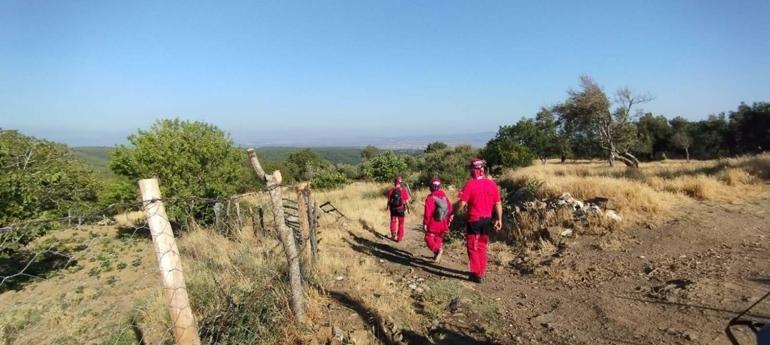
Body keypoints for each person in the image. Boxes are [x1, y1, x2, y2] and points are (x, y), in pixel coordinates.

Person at [456, 159, 502, 283]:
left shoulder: (470, 184)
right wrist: (499, 219)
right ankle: (481, 271)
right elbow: (498, 203)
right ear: (483, 169)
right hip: (487, 220)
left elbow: (462, 203)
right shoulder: (492, 184)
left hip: (474, 219)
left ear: (473, 169)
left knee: (472, 246)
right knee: (482, 245)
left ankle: (476, 274)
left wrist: (453, 211)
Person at [423, 178, 453, 262]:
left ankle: (437, 250)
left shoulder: (430, 197)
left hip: (433, 222)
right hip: (443, 222)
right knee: (439, 238)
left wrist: (425, 223)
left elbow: (428, 212)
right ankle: (437, 255)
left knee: (428, 238)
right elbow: (450, 209)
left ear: (431, 187)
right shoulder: (444, 196)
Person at [385, 176, 410, 242]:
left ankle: (393, 235)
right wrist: (408, 209)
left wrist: (387, 207)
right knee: (401, 223)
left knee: (393, 221)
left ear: (394, 182)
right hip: (401, 209)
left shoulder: (390, 191)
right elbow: (407, 201)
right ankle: (399, 238)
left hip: (393, 209)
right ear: (400, 182)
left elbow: (389, 200)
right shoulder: (403, 190)